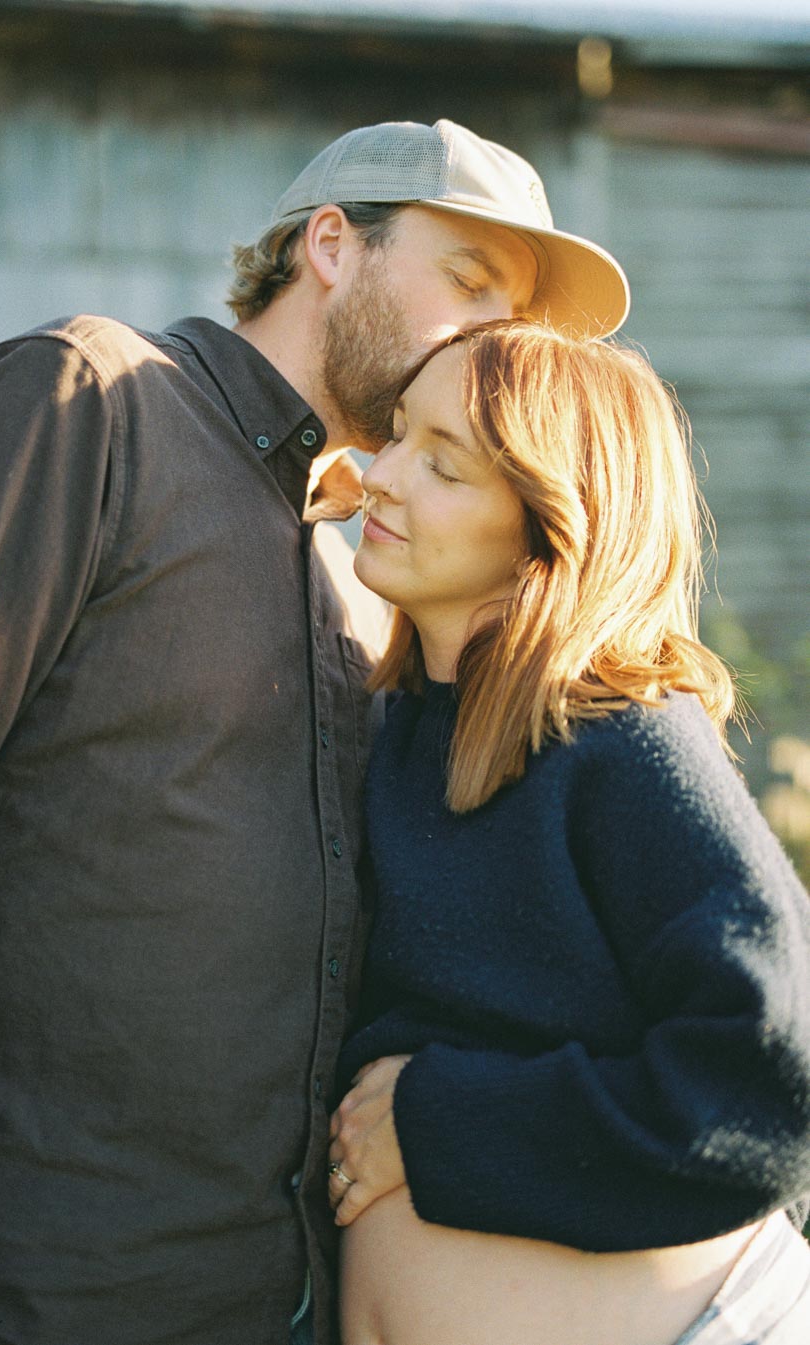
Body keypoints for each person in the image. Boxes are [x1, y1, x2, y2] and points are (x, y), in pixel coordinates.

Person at [0, 121, 629, 1345]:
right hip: (23, 1305)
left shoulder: (365, 578)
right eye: (463, 281)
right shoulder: (89, 404)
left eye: (507, 320)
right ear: (333, 246)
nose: (482, 340)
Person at [327, 320, 810, 1345]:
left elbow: (773, 1074)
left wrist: (440, 1124)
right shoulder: (413, 727)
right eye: (398, 434)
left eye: (442, 464)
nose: (384, 475)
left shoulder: (621, 741)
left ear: (550, 526)